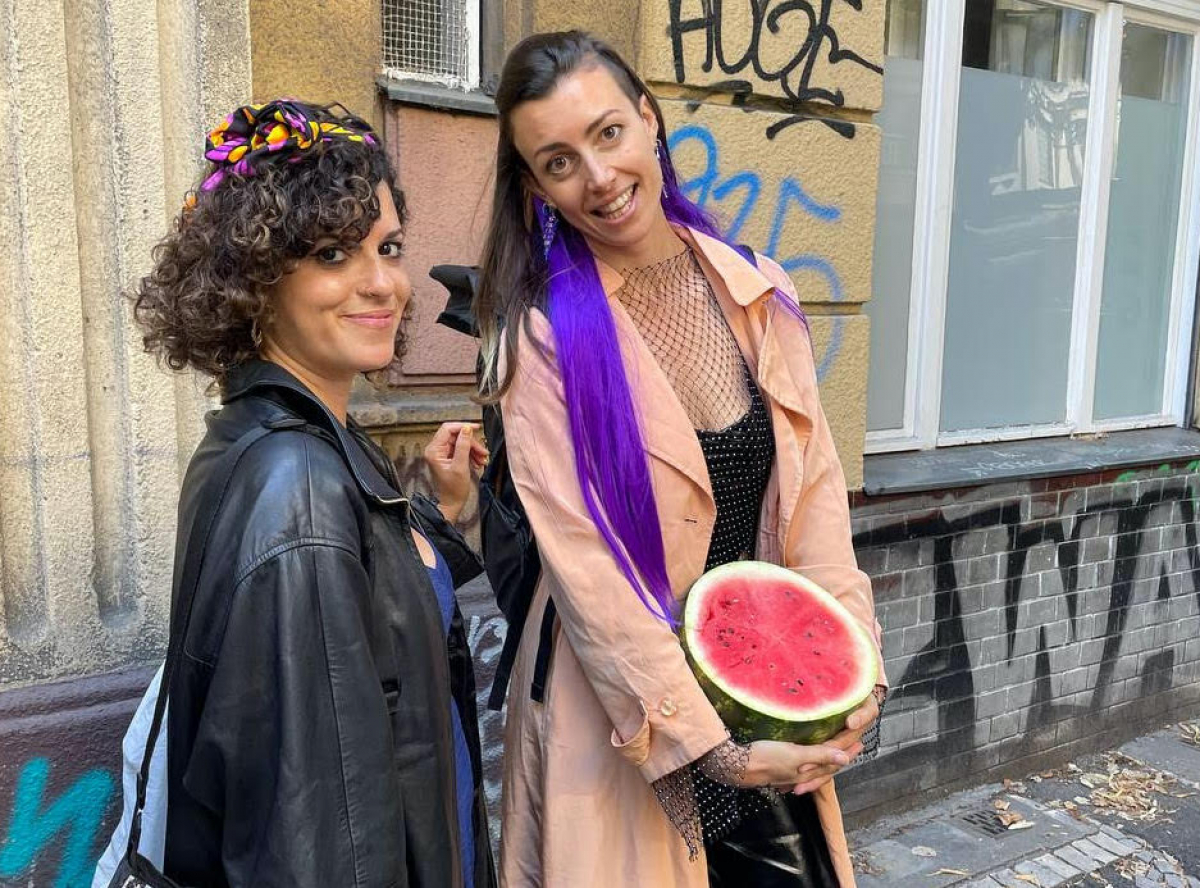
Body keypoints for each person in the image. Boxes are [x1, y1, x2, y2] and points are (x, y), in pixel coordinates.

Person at [475, 32, 888, 887]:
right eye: (559, 162)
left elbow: (815, 504)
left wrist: (858, 679)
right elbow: (587, 573)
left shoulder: (761, 293)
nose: (598, 177)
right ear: (536, 187)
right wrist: (715, 751)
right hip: (627, 712)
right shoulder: (541, 340)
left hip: (765, 694)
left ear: (649, 119)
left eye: (609, 133)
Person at [129, 98, 495, 887]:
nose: (383, 283)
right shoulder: (299, 487)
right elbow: (321, 844)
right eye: (333, 253)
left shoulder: (275, 438)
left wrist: (435, 517)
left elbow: (364, 633)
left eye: (387, 247)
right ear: (256, 279)